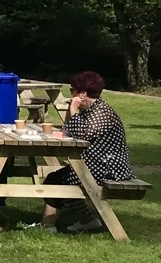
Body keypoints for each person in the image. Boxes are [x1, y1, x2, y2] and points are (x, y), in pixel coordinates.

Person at [35, 70, 138, 233]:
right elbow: (69, 130)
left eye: (72, 91)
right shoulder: (91, 110)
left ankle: (51, 225)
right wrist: (73, 111)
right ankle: (81, 221)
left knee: (60, 180)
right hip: (97, 163)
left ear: (82, 94)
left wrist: (74, 109)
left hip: (109, 168)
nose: (71, 94)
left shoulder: (102, 112)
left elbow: (81, 135)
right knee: (57, 178)